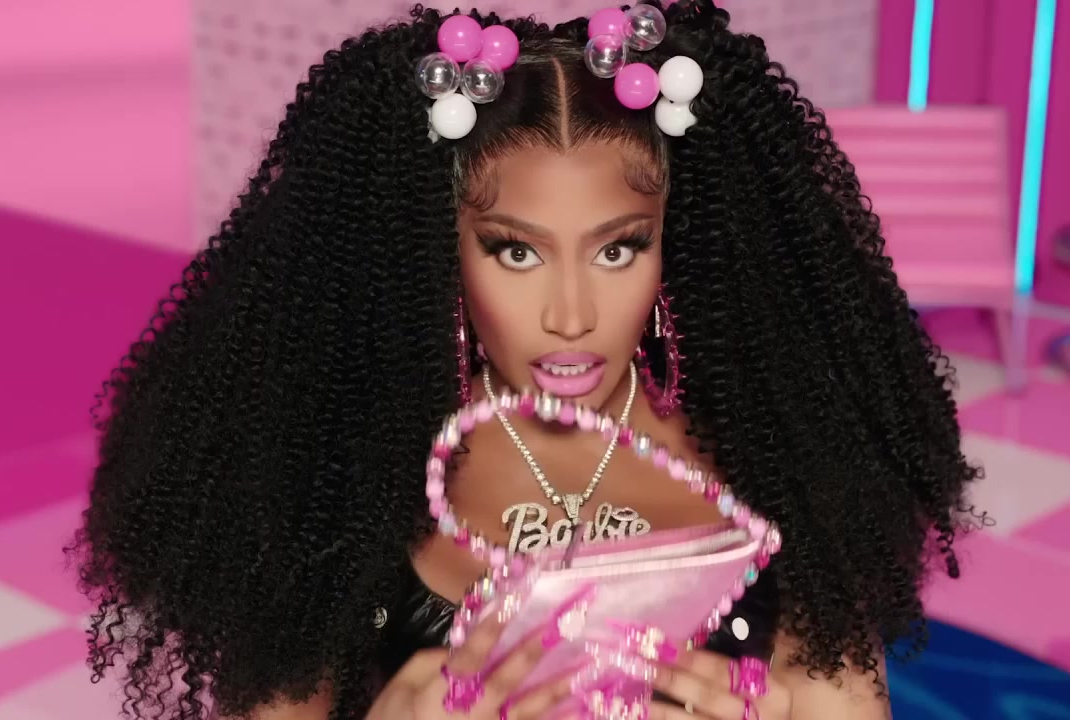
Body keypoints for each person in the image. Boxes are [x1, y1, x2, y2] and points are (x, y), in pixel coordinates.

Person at [71, 2, 982, 719]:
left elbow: (841, 698)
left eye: (619, 247)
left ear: (676, 243)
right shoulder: (338, 473)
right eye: (515, 250)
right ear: (440, 246)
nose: (571, 315)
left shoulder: (779, 449)